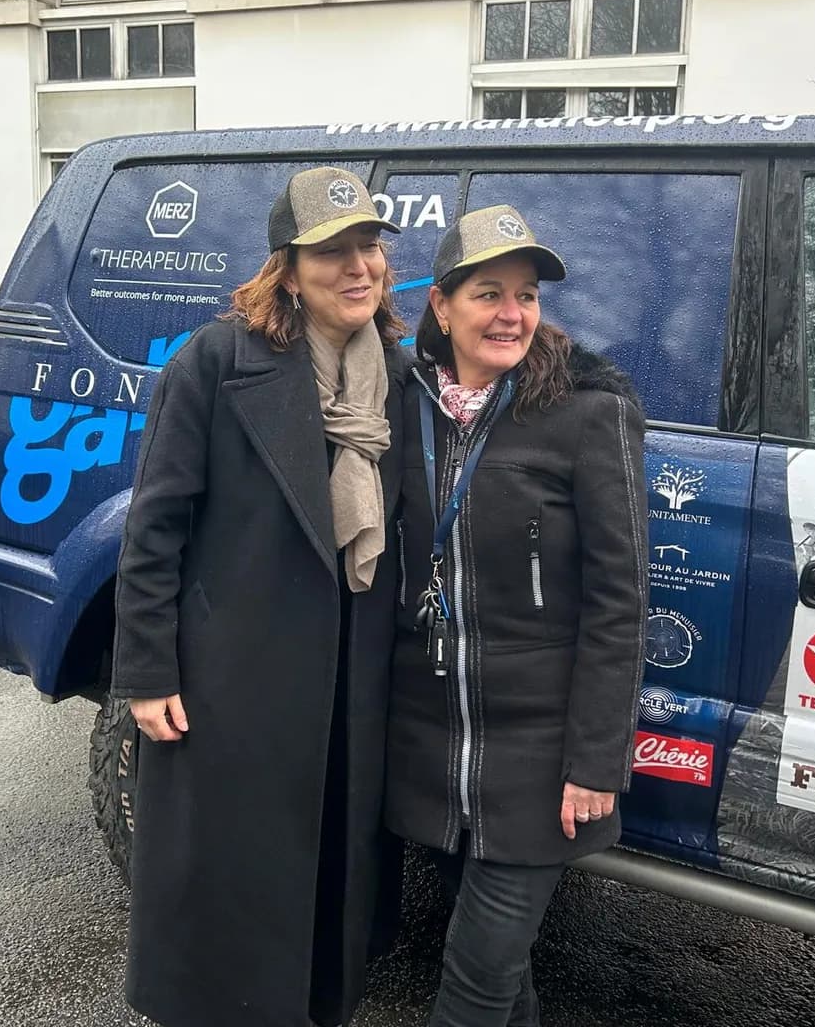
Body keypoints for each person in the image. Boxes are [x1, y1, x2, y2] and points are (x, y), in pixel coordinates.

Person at [110, 166, 408, 1027]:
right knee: (230, 889)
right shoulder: (214, 362)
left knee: (324, 886)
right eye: (332, 252)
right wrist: (148, 672)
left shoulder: (390, 371)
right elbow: (155, 528)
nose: (358, 268)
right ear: (287, 265)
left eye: (369, 248)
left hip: (348, 680)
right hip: (230, 677)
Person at [386, 205, 649, 1027]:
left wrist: (597, 760)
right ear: (443, 306)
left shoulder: (586, 414)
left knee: (472, 977)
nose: (511, 314)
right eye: (489, 293)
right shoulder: (403, 405)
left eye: (527, 296)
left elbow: (620, 601)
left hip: (541, 758)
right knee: (503, 977)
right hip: (437, 744)